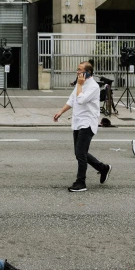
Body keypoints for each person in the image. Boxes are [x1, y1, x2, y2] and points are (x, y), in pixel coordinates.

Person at [53, 61, 112, 192]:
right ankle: (103, 168)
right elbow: (72, 100)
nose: (77, 72)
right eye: (77, 69)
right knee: (80, 153)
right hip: (78, 122)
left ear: (88, 72)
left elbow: (81, 99)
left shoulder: (93, 87)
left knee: (80, 154)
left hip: (88, 123)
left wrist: (79, 84)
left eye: (80, 70)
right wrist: (60, 112)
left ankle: (81, 182)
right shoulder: (80, 84)